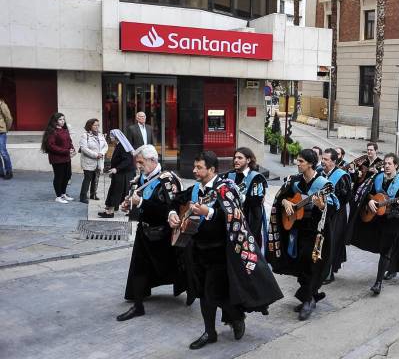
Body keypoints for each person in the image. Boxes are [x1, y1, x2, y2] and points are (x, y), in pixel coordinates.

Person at [168, 151, 283, 350]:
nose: (194, 170)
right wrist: (171, 213)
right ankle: (218, 328)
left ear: (211, 169)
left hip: (221, 252)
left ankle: (220, 326)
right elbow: (176, 200)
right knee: (205, 292)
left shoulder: (226, 188)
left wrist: (209, 212)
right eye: (194, 167)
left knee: (211, 293)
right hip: (197, 250)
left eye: (199, 167)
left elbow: (233, 215)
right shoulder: (196, 189)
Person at [267, 149, 339, 321]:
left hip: (316, 231)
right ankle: (311, 296)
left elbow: (335, 204)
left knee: (311, 263)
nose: (297, 164)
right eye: (297, 161)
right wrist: (285, 202)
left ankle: (307, 300)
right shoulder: (296, 181)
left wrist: (322, 206)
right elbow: (282, 196)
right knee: (300, 262)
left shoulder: (323, 183)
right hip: (297, 230)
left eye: (300, 161)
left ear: (310, 164)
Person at [116, 144, 185, 322]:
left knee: (174, 266)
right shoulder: (142, 178)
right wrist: (129, 205)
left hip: (163, 235)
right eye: (137, 162)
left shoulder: (168, 180)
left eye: (141, 162)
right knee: (139, 267)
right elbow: (138, 201)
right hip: (144, 231)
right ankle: (138, 305)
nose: (138, 166)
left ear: (153, 161)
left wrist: (140, 203)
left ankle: (190, 289)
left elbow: (170, 210)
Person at [349, 153, 399, 295]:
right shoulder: (377, 177)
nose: (386, 166)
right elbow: (367, 192)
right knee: (376, 243)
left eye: (389, 164)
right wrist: (369, 200)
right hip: (377, 218)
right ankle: (390, 268)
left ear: (396, 166)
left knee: (386, 250)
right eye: (385, 163)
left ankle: (378, 282)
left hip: (393, 219)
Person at [220, 147, 269, 254]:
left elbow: (257, 201)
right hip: (231, 219)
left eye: (240, 158)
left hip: (250, 218)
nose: (236, 160)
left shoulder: (256, 177)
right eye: (235, 158)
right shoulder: (229, 175)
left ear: (248, 160)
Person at [320, 148, 352, 284]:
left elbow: (346, 196)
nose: (322, 162)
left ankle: (328, 273)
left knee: (332, 242)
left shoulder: (341, 175)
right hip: (322, 212)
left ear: (333, 161)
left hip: (337, 215)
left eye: (326, 160)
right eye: (322, 158)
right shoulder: (320, 173)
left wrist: (332, 203)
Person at [99, 130, 135, 218]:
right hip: (122, 172)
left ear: (116, 138)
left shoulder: (122, 146)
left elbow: (127, 160)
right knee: (122, 192)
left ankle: (110, 212)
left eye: (111, 137)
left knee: (117, 191)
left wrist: (116, 168)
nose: (110, 138)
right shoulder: (120, 145)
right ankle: (116, 209)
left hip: (123, 173)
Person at [41, 113, 76, 203]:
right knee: (59, 177)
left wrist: (72, 149)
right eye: (60, 119)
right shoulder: (52, 131)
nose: (63, 121)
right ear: (55, 121)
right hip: (57, 158)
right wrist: (65, 151)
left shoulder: (65, 130)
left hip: (66, 157)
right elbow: (51, 146)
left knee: (67, 175)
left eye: (63, 119)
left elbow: (69, 141)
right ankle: (58, 196)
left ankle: (63, 193)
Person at [78, 118, 107, 204]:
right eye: (95, 125)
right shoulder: (85, 135)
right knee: (88, 178)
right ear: (90, 126)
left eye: (98, 125)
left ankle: (93, 194)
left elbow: (105, 146)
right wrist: (96, 155)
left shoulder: (100, 135)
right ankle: (83, 196)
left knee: (96, 178)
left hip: (99, 160)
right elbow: (84, 148)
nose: (97, 127)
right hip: (89, 161)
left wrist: (101, 153)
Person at [0, 96, 13, 179]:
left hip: (1, 132)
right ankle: (1, 172)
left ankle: (9, 171)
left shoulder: (2, 104)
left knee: (3, 152)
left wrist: (6, 128)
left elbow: (9, 118)